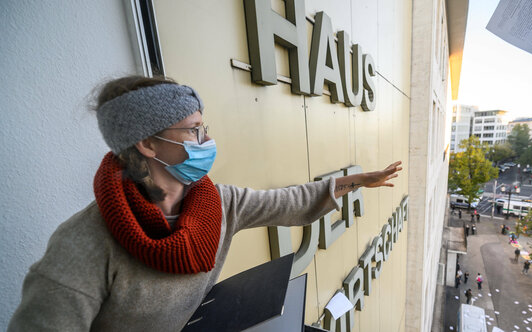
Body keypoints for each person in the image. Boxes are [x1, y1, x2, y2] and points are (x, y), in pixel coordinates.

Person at [8, 76, 402, 331]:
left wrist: (357, 181)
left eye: (204, 127)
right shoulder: (84, 245)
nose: (207, 140)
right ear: (147, 143)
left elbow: (287, 202)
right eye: (194, 131)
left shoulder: (216, 203)